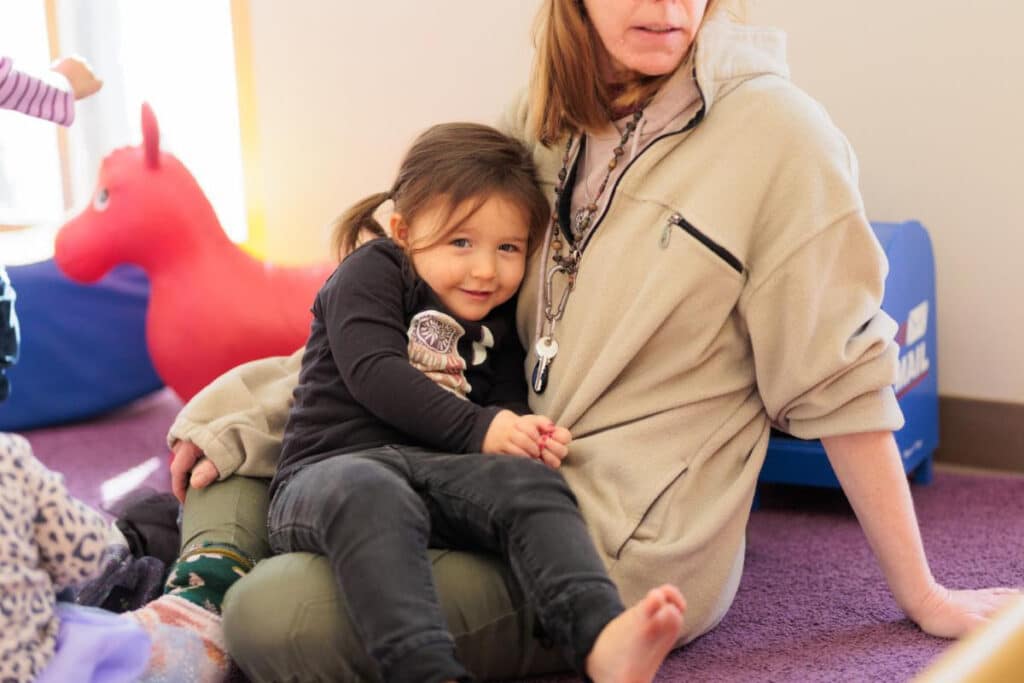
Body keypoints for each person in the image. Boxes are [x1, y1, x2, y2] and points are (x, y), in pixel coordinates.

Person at [165, 0, 1021, 680]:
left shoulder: (782, 139)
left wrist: (924, 592)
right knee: (226, 437)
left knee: (277, 613)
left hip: (610, 536)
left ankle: (210, 592)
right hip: (484, 454)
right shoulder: (541, 118)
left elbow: (840, 371)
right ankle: (192, 601)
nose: (668, 4)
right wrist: (248, 414)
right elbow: (416, 307)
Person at [267, 121, 688, 682]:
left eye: (508, 248)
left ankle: (599, 635)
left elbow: (507, 400)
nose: (486, 269)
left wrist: (522, 433)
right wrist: (481, 429)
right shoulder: (371, 273)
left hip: (435, 476)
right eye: (460, 243)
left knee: (533, 485)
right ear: (404, 229)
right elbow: (375, 373)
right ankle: (425, 669)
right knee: (371, 492)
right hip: (330, 474)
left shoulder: (496, 320)